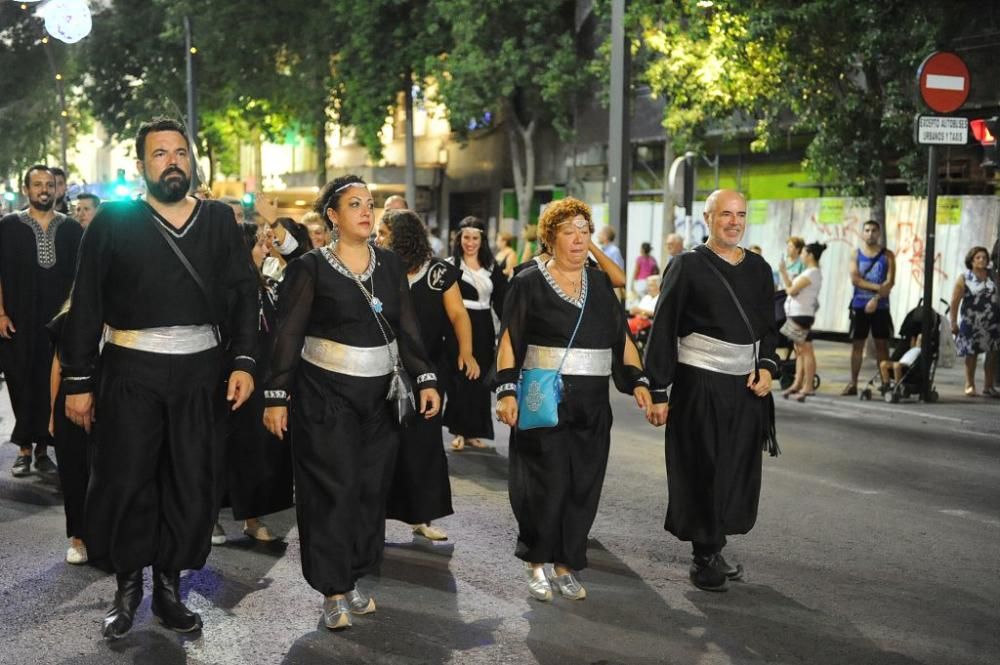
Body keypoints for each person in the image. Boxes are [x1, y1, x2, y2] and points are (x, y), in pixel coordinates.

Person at [61, 117, 259, 640]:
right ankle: (128, 588)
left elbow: (244, 294)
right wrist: (78, 381)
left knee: (192, 480)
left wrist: (243, 362)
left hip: (202, 372)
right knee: (127, 479)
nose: (172, 161)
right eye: (159, 154)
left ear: (191, 161)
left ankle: (168, 587)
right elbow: (86, 303)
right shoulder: (112, 222)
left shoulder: (218, 220)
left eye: (179, 152)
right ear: (141, 165)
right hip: (130, 371)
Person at [262, 175, 440, 631]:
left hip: (380, 399)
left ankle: (355, 575)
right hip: (324, 398)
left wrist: (425, 378)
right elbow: (289, 334)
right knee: (331, 492)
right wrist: (277, 394)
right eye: (355, 204)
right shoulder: (311, 268)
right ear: (333, 217)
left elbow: (408, 327)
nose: (366, 211)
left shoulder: (390, 265)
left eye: (371, 203)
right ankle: (333, 589)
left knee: (369, 490)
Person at [494, 196, 654, 601]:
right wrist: (507, 389)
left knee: (583, 483)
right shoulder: (528, 281)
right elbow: (510, 338)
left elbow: (622, 337)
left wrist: (637, 380)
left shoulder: (600, 285)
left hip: (592, 402)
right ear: (551, 238)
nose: (579, 238)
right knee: (544, 482)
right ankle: (537, 563)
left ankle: (566, 564)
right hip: (541, 395)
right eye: (569, 231)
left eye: (585, 231)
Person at [645, 189, 779, 593]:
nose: (734, 222)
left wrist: (769, 368)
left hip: (745, 388)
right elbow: (664, 327)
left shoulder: (759, 268)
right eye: (726, 214)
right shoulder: (685, 265)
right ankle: (704, 554)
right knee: (702, 466)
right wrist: (659, 388)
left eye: (740, 214)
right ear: (708, 218)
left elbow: (767, 327)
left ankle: (715, 544)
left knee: (735, 467)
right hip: (699, 384)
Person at [377, 208, 478, 541]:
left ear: (401, 235)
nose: (379, 238)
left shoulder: (439, 272)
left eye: (384, 232)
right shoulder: (377, 268)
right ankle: (373, 516)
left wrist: (465, 351)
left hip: (428, 371)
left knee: (423, 443)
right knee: (381, 442)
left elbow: (459, 314)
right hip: (380, 367)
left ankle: (420, 517)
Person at [212, 224, 294, 546]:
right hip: (230, 378)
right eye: (260, 245)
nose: (266, 249)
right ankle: (212, 519)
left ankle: (252, 518)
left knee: (256, 452)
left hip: (262, 381)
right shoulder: (227, 287)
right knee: (223, 450)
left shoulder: (267, 285)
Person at [0, 164, 82, 478]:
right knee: (21, 381)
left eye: (49, 184)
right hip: (18, 322)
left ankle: (43, 449)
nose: (44, 190)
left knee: (50, 384)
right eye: (37, 184)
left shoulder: (72, 229)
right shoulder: (8, 226)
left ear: (57, 188)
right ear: (26, 189)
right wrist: (1, 313)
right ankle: (22, 448)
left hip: (56, 323)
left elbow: (80, 278)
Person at [444, 216, 507, 450]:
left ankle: (473, 432)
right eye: (466, 238)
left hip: (484, 327)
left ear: (482, 241)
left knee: (479, 380)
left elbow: (503, 300)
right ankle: (459, 431)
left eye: (475, 238)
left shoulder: (492, 267)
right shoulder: (450, 265)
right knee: (460, 379)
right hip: (456, 328)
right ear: (459, 239)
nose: (470, 243)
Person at [47, 301, 92, 564]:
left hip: (117, 401)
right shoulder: (70, 316)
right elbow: (57, 366)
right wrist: (53, 413)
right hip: (72, 402)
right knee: (75, 472)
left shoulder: (127, 309)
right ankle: (78, 537)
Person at [843, 220, 896, 395]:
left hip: (880, 307)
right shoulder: (855, 254)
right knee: (858, 345)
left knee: (882, 344)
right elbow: (855, 279)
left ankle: (886, 382)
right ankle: (853, 383)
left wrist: (876, 298)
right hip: (860, 305)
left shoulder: (887, 255)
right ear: (862, 233)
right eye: (867, 230)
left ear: (879, 233)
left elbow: (890, 282)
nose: (870, 233)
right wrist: (877, 289)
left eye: (874, 230)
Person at [778, 242, 826, 401]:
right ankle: (797, 384)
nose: (802, 256)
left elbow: (791, 290)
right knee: (799, 351)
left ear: (810, 255)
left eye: (804, 253)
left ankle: (808, 386)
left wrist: (785, 276)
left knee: (806, 351)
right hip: (797, 314)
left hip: (801, 315)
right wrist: (784, 273)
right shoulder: (810, 272)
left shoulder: (811, 273)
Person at [949, 246, 999, 397]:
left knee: (993, 353)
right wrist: (953, 322)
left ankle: (988, 386)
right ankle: (969, 384)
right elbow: (955, 301)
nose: (982, 260)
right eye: (978, 257)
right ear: (971, 260)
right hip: (971, 322)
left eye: (984, 257)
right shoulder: (964, 277)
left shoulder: (993, 275)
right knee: (971, 354)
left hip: (992, 321)